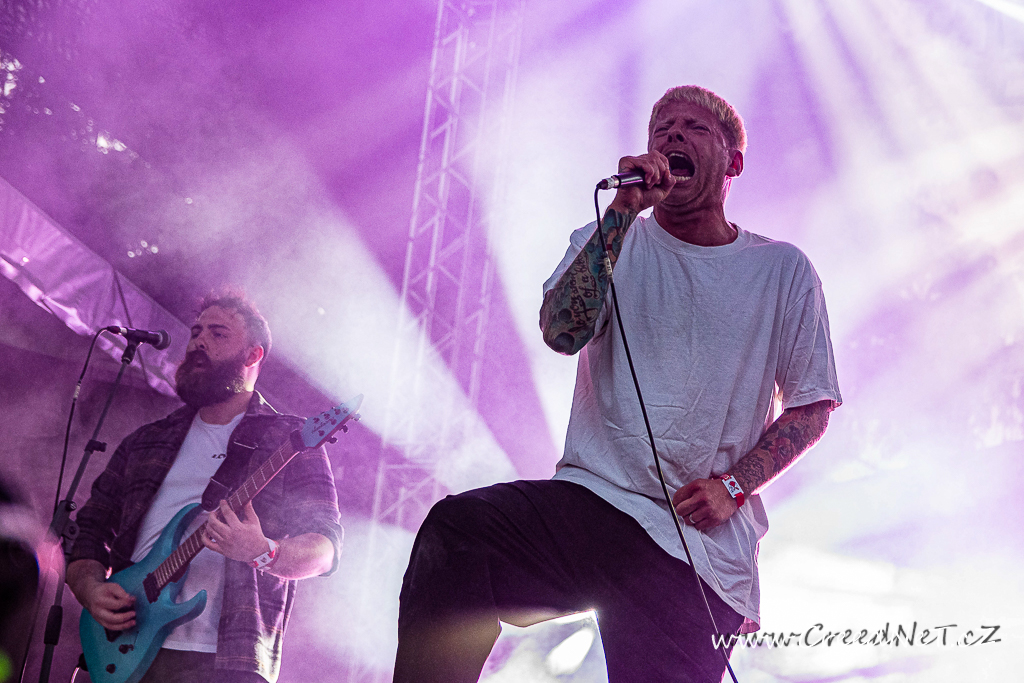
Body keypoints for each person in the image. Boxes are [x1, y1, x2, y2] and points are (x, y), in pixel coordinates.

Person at [393, 85, 841, 683]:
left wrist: (734, 487)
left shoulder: (781, 269)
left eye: (695, 128)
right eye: (663, 129)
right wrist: (623, 211)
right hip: (596, 503)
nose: (673, 135)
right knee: (460, 531)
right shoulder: (610, 236)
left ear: (733, 162)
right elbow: (561, 331)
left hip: (697, 545)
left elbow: (812, 406)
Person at [67, 293, 342, 683]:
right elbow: (88, 532)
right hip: (126, 643)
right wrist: (91, 589)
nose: (198, 342)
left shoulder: (290, 439)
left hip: (227, 657)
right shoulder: (146, 440)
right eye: (196, 332)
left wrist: (265, 552)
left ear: (253, 355)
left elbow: (325, 548)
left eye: (218, 333)